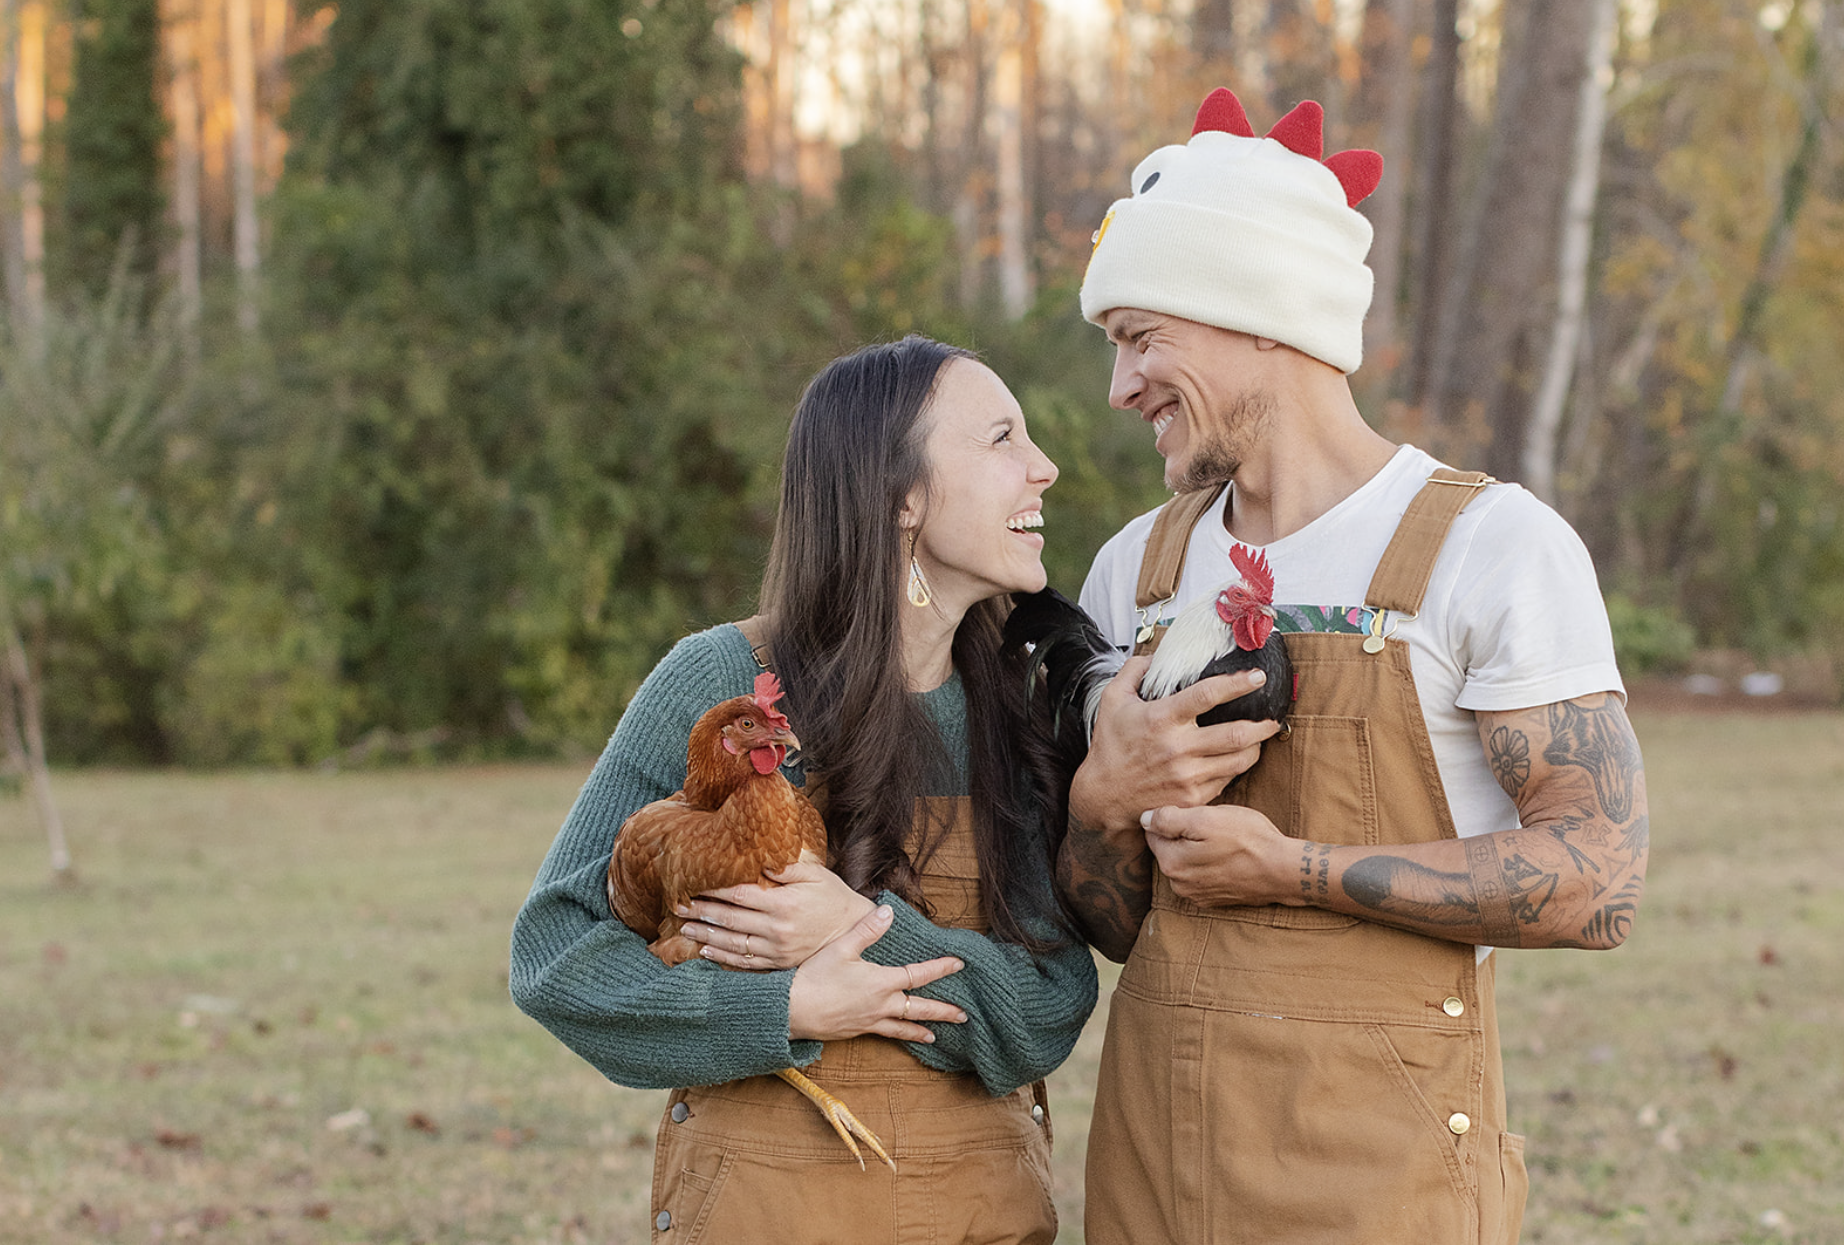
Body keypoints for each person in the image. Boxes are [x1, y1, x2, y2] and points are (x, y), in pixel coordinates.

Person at [1059, 87, 1650, 1243]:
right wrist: (1101, 799)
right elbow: (1111, 923)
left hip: (1379, 1178)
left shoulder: (1487, 547)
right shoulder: (1136, 568)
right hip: (1153, 1165)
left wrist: (1295, 869)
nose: (1119, 387)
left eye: (1140, 339)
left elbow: (1599, 876)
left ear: (1259, 318)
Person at [509, 335, 1097, 1245]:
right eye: (1001, 440)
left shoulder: (1018, 710)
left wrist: (856, 933)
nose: (1044, 468)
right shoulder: (721, 679)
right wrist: (781, 1007)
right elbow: (555, 957)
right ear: (901, 496)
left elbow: (1049, 1008)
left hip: (980, 1218)